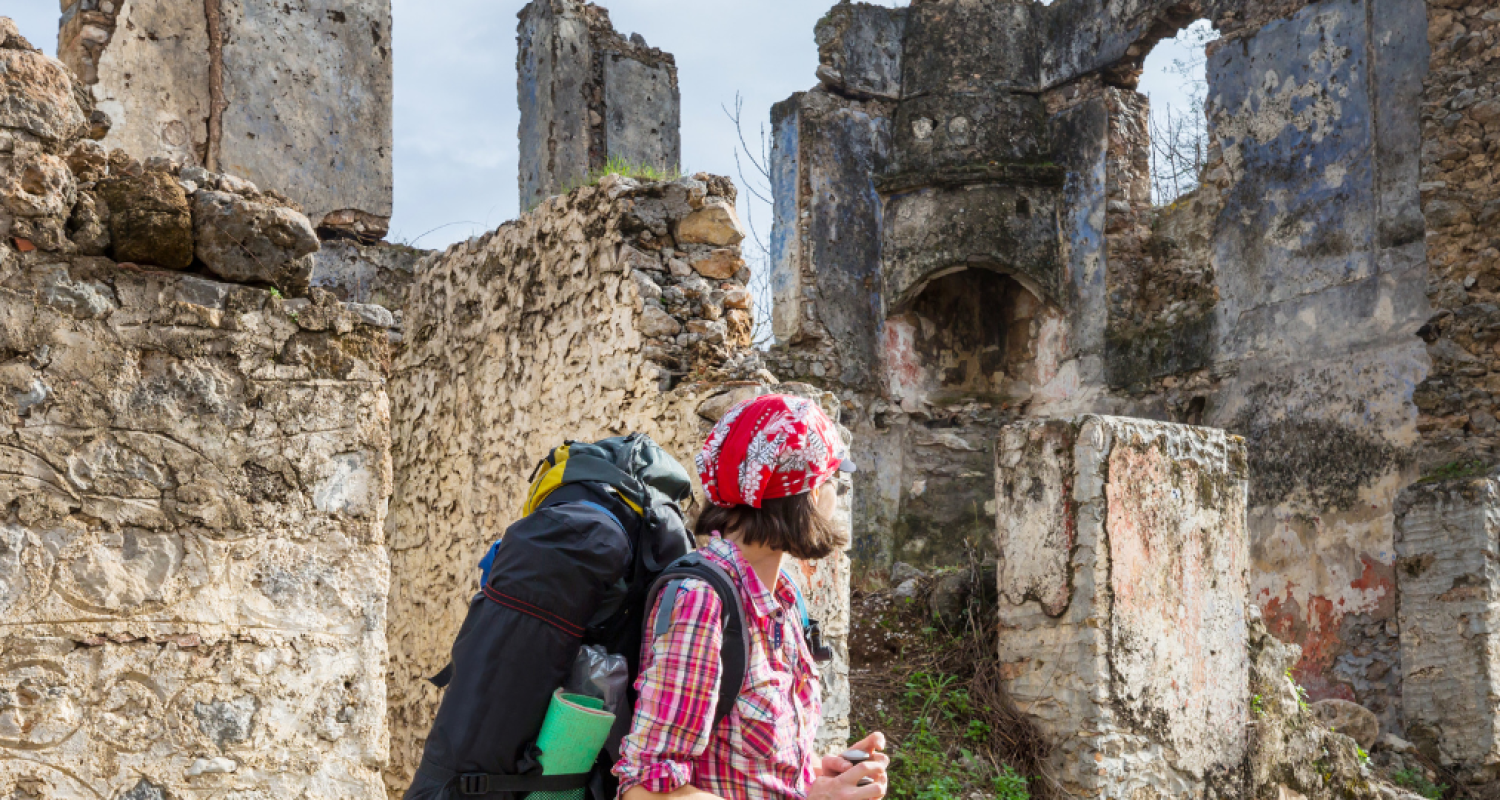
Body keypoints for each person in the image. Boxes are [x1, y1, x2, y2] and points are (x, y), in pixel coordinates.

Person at [613, 394, 890, 800]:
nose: (837, 494)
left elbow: (735, 761)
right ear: (810, 493)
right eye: (833, 479)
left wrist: (813, 779)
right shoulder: (701, 603)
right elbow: (645, 789)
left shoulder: (782, 598)